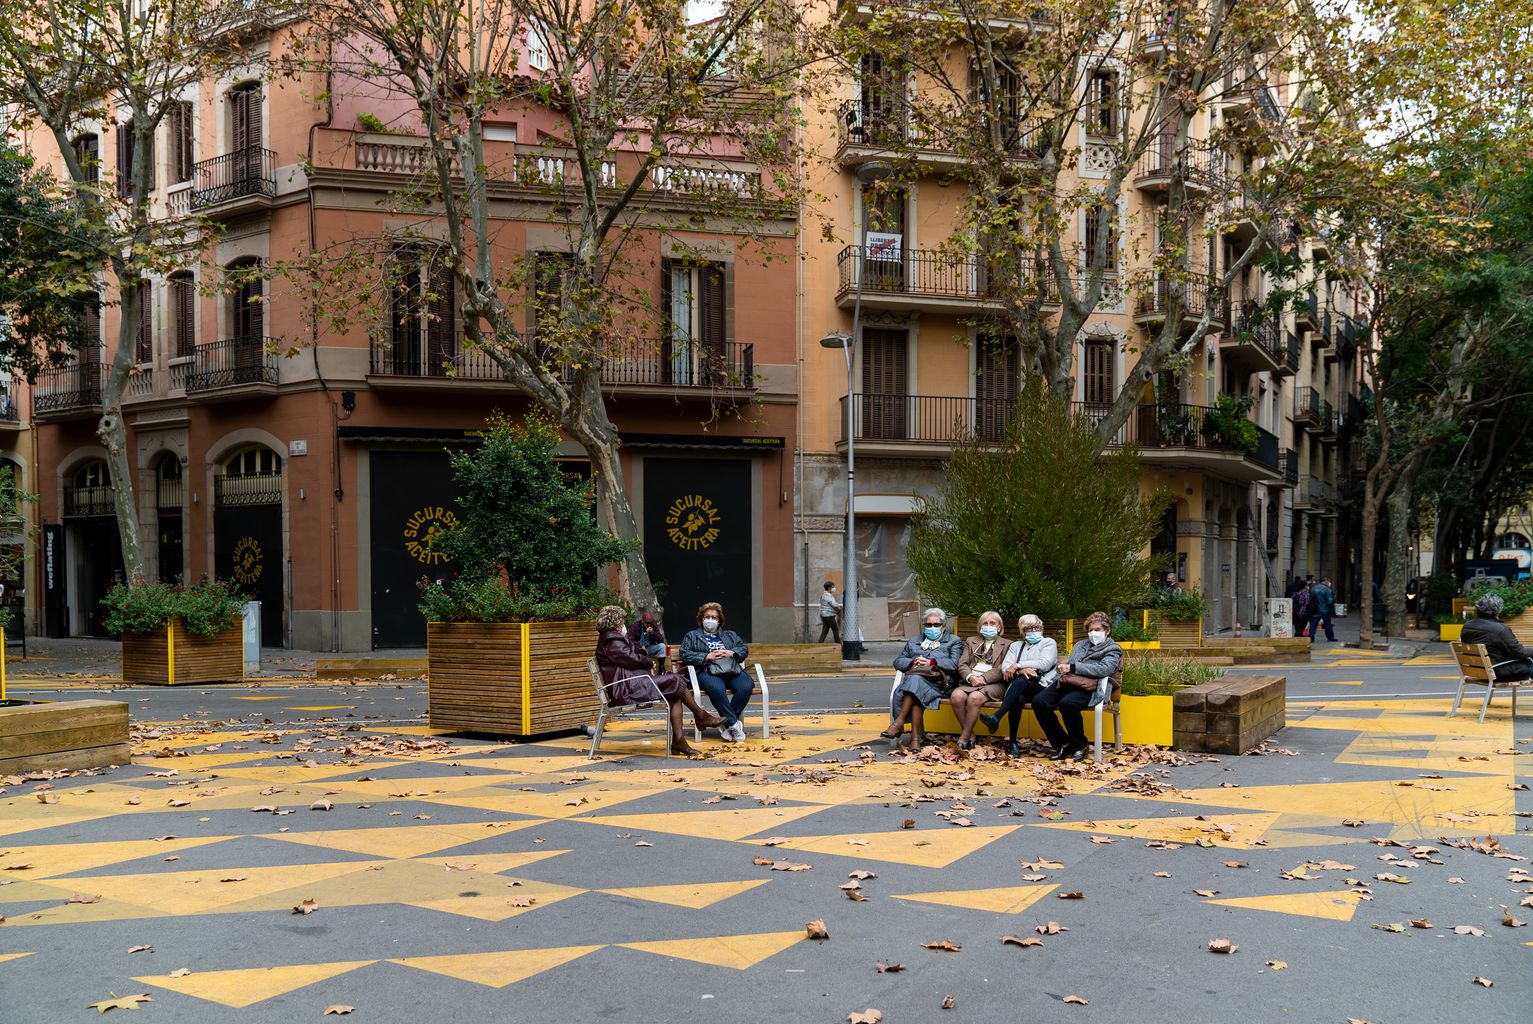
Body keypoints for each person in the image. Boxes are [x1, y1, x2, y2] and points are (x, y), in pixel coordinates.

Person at [594, 605, 721, 757]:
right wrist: (648, 662)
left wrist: (643, 656)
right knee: (676, 679)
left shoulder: (612, 639)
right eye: (621, 621)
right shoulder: (611, 641)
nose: (623, 625)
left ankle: (680, 740)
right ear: (614, 623)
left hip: (631, 683)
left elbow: (632, 653)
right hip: (627, 688)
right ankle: (701, 717)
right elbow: (630, 659)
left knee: (675, 692)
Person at [1032, 611, 1122, 762]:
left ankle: (1080, 745)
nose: (1093, 633)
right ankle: (1063, 743)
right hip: (1068, 682)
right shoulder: (1080, 645)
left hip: (1091, 686)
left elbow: (1105, 669)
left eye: (1097, 630)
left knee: (1067, 703)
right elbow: (1069, 666)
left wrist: (1073, 667)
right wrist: (1062, 671)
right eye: (1090, 630)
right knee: (1039, 701)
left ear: (1107, 631)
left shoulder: (1113, 649)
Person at [881, 607, 961, 750]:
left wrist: (931, 662)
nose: (932, 627)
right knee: (916, 686)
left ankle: (898, 724)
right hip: (916, 683)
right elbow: (898, 661)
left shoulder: (953, 641)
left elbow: (954, 665)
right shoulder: (914, 641)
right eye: (928, 625)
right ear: (924, 626)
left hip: (940, 684)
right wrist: (912, 662)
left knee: (914, 682)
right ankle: (915, 740)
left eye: (936, 625)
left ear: (943, 626)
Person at [980, 614, 1059, 757]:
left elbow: (1044, 663)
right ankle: (1013, 743)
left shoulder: (1048, 643)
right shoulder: (1016, 646)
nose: (1034, 631)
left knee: (1020, 682)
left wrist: (1018, 665)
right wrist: (1022, 670)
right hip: (1021, 688)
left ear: (1042, 628)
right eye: (1029, 628)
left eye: (1037, 627)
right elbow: (1005, 668)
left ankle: (997, 717)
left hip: (1042, 687)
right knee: (1019, 696)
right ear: (1023, 631)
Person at [680, 601, 755, 742]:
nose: (710, 620)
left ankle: (727, 724)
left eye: (714, 617)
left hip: (730, 668)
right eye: (707, 616)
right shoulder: (692, 636)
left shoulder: (730, 635)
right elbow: (684, 654)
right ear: (701, 619)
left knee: (746, 685)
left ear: (719, 621)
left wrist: (731, 652)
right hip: (706, 669)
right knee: (716, 688)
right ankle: (733, 724)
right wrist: (706, 656)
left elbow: (743, 649)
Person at [949, 611, 1008, 751]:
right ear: (980, 626)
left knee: (974, 698)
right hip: (971, 680)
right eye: (985, 623)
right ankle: (970, 734)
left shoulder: (1008, 644)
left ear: (999, 627)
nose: (988, 626)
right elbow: (962, 664)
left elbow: (1003, 667)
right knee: (956, 696)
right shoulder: (971, 641)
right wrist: (971, 677)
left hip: (994, 684)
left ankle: (964, 737)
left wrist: (983, 678)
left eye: (992, 623)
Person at [1460, 593, 1533, 681]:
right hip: (1498, 672)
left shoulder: (1467, 626)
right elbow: (1518, 653)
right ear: (1497, 611)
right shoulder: (1499, 629)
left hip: (1478, 670)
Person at [1308, 576, 1337, 642]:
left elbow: (1310, 598)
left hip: (1315, 609)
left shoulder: (1313, 588)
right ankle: (1330, 637)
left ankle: (1311, 637)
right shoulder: (1327, 590)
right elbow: (1330, 601)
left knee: (1313, 624)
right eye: (1329, 581)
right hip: (1325, 610)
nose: (1329, 583)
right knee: (1327, 624)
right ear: (1326, 581)